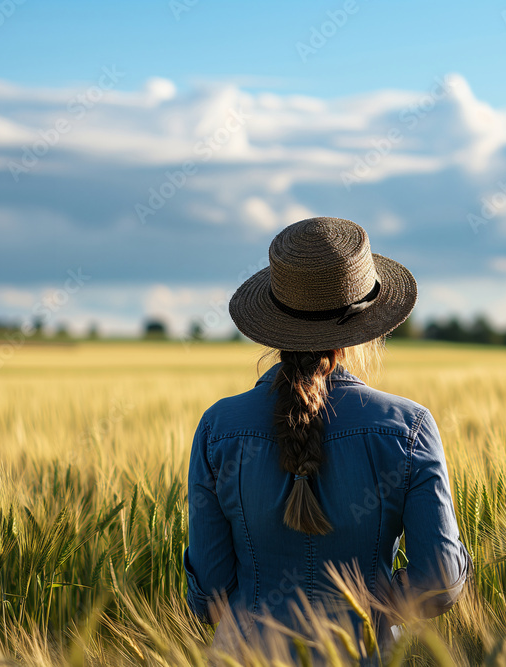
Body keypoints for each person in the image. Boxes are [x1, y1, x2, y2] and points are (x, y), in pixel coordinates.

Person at [183, 217, 471, 663]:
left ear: (274, 321)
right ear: (368, 325)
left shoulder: (218, 428)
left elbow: (209, 595)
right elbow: (440, 581)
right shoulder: (409, 427)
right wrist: (365, 605)